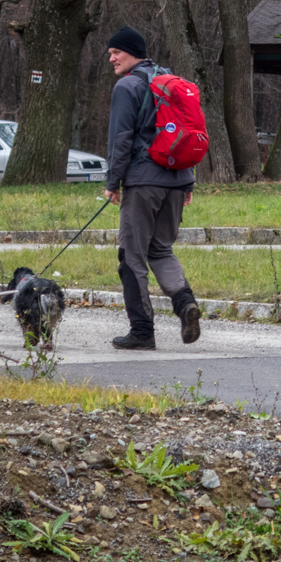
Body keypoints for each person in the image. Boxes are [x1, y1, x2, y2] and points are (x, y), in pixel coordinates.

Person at [104, 25, 201, 350]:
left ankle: (142, 331)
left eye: (115, 52)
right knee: (160, 249)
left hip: (143, 181)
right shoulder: (170, 81)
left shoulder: (127, 86)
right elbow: (186, 130)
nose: (111, 58)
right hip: (176, 179)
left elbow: (121, 139)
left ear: (132, 52)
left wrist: (112, 182)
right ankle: (185, 303)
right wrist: (187, 180)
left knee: (131, 255)